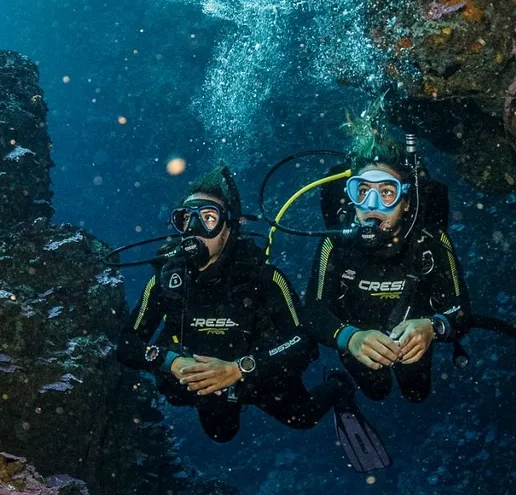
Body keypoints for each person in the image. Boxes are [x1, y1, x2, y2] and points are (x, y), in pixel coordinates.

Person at [116, 164, 352, 443]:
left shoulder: (264, 277)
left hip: (258, 374)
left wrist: (239, 369)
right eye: (186, 219)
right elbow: (127, 344)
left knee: (304, 417)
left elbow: (303, 342)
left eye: (208, 218)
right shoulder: (167, 280)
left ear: (228, 228)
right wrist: (171, 361)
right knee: (221, 432)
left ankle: (339, 386)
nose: (194, 229)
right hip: (205, 382)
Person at [304, 139, 470, 406]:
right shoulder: (335, 244)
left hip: (411, 344)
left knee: (417, 393)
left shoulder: (430, 240)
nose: (372, 204)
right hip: (358, 344)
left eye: (387, 192)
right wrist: (349, 337)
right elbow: (313, 312)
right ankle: (342, 388)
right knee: (376, 391)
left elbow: (461, 309)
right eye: (362, 191)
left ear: (406, 202)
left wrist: (433, 327)